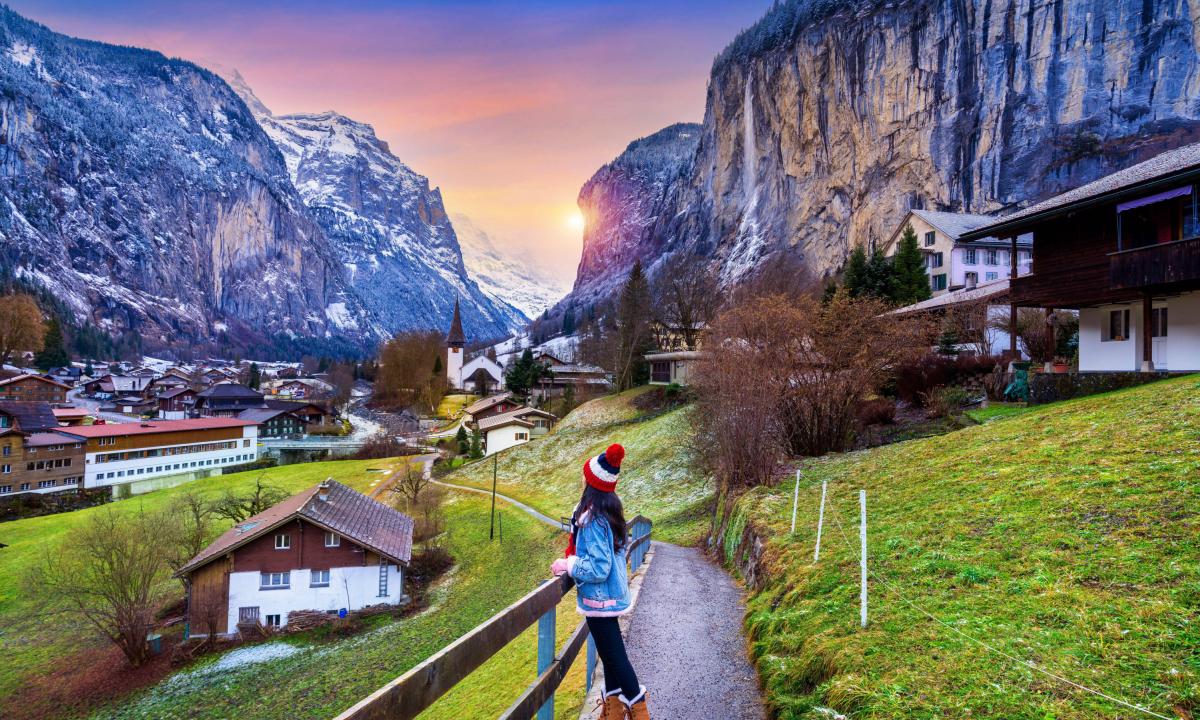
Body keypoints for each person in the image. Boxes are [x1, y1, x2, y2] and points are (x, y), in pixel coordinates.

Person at [551, 443, 650, 720]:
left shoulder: (593, 519)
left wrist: (567, 564)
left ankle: (640, 711)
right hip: (607, 596)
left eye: (585, 474)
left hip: (599, 597)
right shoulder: (608, 510)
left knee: (617, 660)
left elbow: (598, 566)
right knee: (610, 658)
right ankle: (613, 713)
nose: (582, 478)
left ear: (592, 482)